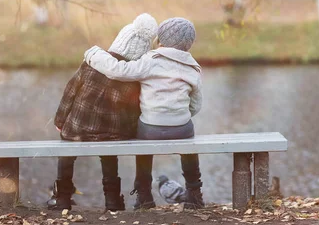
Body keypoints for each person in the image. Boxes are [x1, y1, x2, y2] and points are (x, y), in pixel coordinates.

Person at [84, 17, 204, 210]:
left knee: (143, 149)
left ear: (161, 40)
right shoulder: (193, 68)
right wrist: (176, 116)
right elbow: (196, 106)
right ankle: (195, 195)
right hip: (181, 128)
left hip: (150, 127)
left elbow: (118, 71)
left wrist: (94, 55)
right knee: (189, 145)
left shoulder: (151, 61)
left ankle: (144, 196)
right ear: (189, 44)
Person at [50, 13, 158, 211]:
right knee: (109, 154)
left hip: (78, 126)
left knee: (66, 152)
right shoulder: (132, 77)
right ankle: (112, 200)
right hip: (112, 133)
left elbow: (70, 92)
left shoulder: (91, 64)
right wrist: (130, 131)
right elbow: (135, 112)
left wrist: (60, 120)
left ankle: (62, 198)